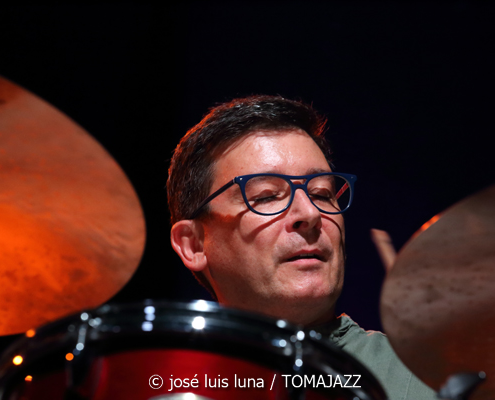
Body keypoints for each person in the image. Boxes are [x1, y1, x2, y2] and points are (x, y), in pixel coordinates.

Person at [167, 95, 436, 399]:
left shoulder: (430, 375)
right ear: (194, 244)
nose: (310, 214)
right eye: (266, 196)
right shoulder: (159, 383)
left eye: (321, 194)